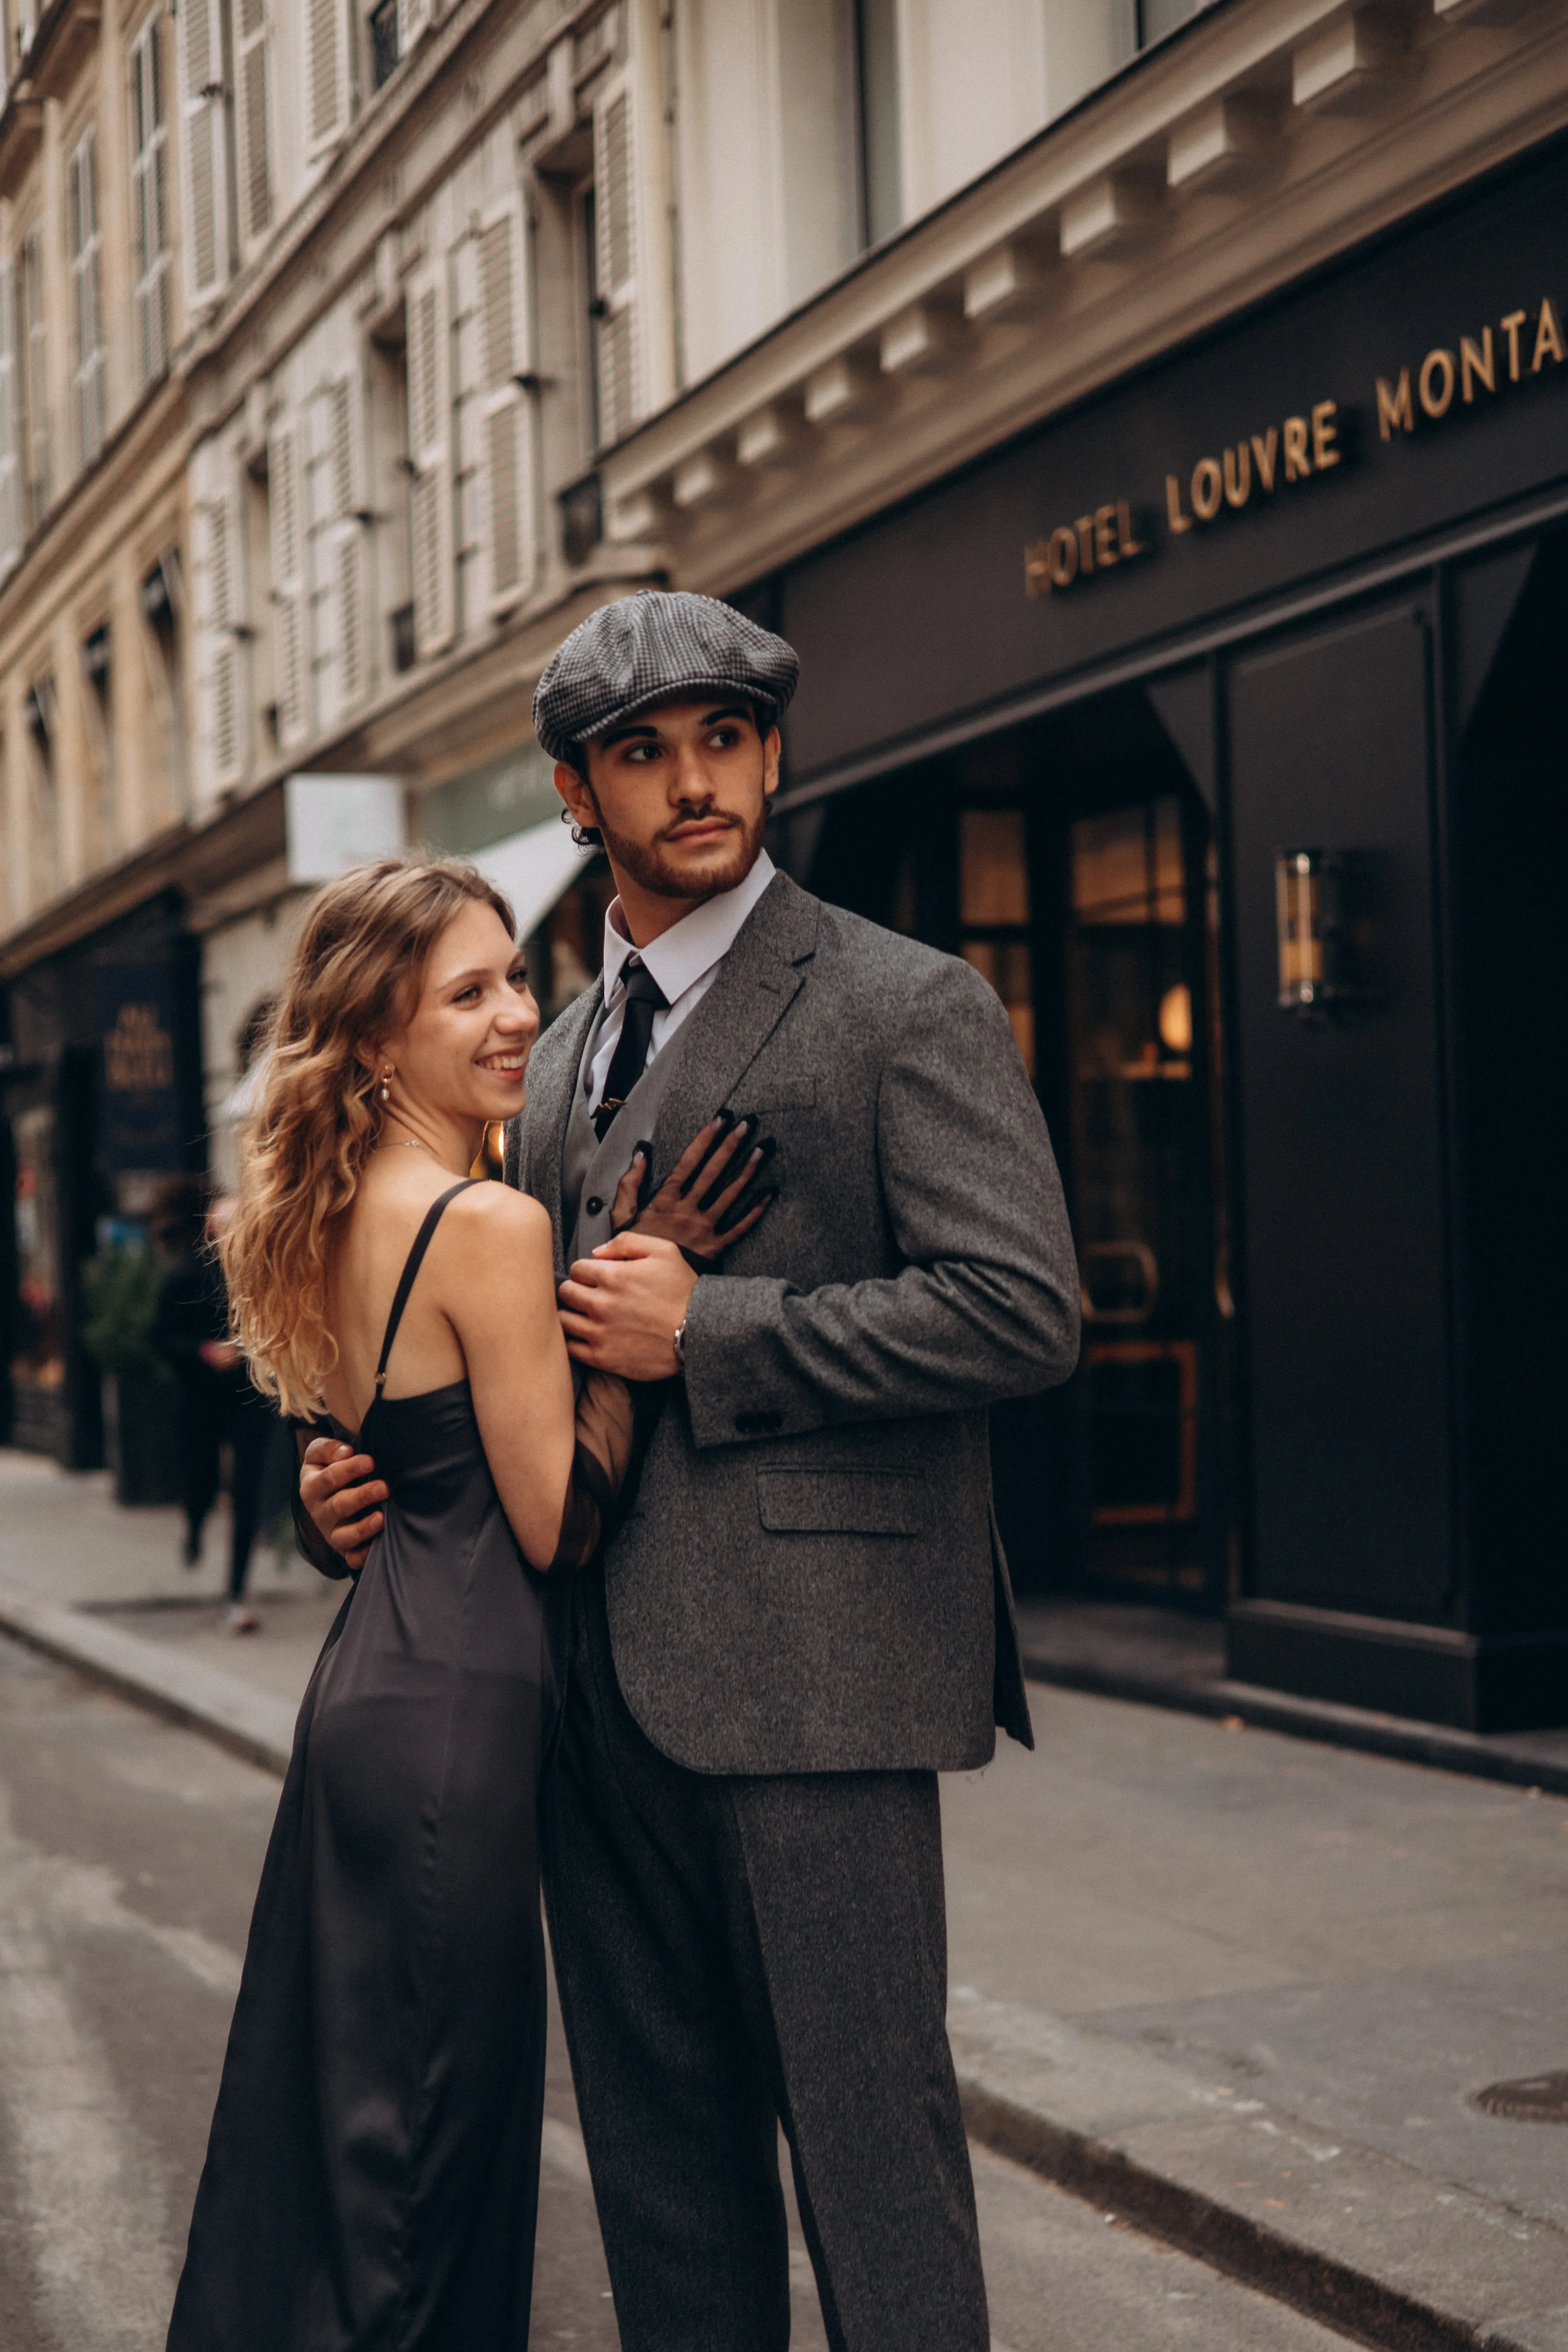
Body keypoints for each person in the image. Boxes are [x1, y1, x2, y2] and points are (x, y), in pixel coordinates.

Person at [301, 590, 1081, 2352]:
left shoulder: (902, 1001)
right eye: (644, 752)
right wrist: (362, 1479)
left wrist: (715, 1334)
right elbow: (488, 1341)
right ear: (579, 792)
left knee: (875, 2162)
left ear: (774, 750)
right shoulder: (550, 1055)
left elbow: (1024, 1313)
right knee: (663, 2184)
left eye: (724, 736)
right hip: (580, 1699)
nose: (695, 779)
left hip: (823, 1689)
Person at [167, 856, 768, 2352]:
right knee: (429, 2146)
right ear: (374, 1039)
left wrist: (332, 1498)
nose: (517, 1014)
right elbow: (556, 1520)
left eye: (514, 974)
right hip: (457, 1727)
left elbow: (377, 1462)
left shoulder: (334, 1204)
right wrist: (648, 1306)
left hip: (373, 1692)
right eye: (469, 992)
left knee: (355, 2129)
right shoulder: (484, 1222)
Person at [151, 1183, 274, 1630]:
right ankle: (196, 1527)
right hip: (200, 1398)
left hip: (250, 1397)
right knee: (201, 1480)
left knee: (246, 1492)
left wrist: (250, 1348)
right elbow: (161, 1338)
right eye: (226, 1224)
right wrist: (205, 1352)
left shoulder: (263, 1277)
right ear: (210, 1229)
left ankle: (236, 1594)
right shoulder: (185, 1277)